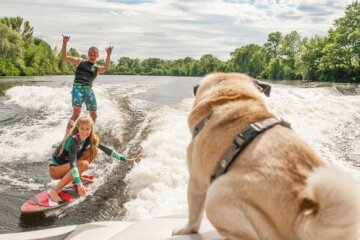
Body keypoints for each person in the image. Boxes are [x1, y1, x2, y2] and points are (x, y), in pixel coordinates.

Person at [49, 115, 140, 203]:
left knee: (94, 150)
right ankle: (54, 190)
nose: (85, 132)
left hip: (68, 168)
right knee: (83, 164)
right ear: (78, 128)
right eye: (82, 129)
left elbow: (107, 150)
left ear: (91, 128)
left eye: (87, 129)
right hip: (56, 170)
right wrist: (79, 184)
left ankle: (76, 177)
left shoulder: (89, 138)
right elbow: (73, 164)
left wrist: (126, 159)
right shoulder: (74, 142)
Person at [61, 34, 114, 132]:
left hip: (89, 90)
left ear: (97, 56)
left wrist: (109, 54)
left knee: (94, 115)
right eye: (91, 54)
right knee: (76, 113)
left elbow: (106, 67)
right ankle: (67, 136)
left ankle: (89, 136)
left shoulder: (97, 68)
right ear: (88, 54)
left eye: (94, 54)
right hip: (78, 88)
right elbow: (64, 57)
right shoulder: (81, 61)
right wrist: (65, 42)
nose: (92, 56)